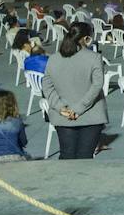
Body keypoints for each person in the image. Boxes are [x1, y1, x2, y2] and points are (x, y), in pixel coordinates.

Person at [43, 21, 107, 160]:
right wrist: (79, 108)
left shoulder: (53, 59)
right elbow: (97, 85)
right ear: (86, 38)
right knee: (85, 156)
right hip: (91, 114)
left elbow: (47, 86)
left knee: (66, 155)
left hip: (63, 115)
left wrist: (60, 108)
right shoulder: (94, 58)